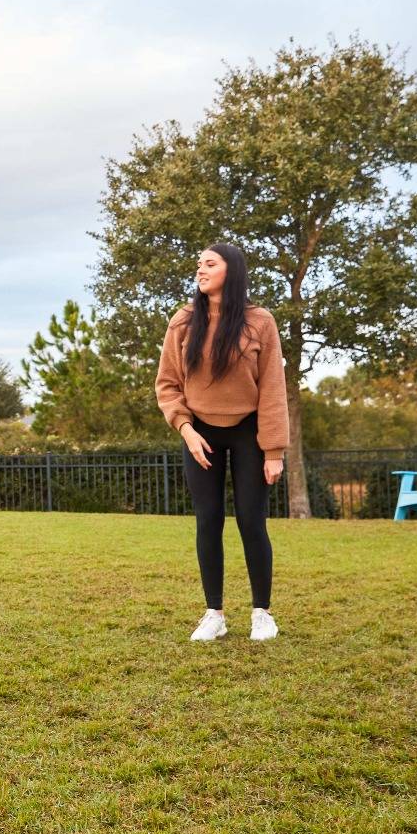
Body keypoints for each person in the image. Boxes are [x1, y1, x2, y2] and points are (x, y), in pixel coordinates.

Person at [154, 243, 289, 642]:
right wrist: (186, 429)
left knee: (251, 520)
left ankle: (261, 614)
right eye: (199, 264)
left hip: (249, 430)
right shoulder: (183, 321)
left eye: (210, 263)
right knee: (208, 520)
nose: (201, 270)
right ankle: (214, 613)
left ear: (232, 271)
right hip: (199, 433)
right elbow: (167, 384)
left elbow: (273, 389)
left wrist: (274, 450)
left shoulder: (260, 321)